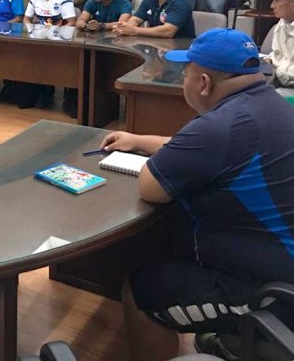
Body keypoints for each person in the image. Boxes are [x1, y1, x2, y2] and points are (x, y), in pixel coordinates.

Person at [101, 28, 294, 361]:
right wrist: (139, 140)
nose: (183, 80)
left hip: (269, 293)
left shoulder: (221, 126)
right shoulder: (273, 105)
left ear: (203, 83)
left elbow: (151, 186)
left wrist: (160, 150)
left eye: (185, 73)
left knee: (143, 292)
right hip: (279, 267)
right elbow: (204, 149)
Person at [21, 0, 76, 111]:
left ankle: (47, 94)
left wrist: (56, 34)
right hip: (38, 40)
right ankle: (30, 95)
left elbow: (71, 22)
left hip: (58, 42)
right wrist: (30, 32)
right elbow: (26, 18)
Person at [264, 0, 294, 97]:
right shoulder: (282, 24)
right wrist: (268, 60)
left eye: (277, 0)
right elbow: (280, 55)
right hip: (281, 85)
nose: (272, 6)